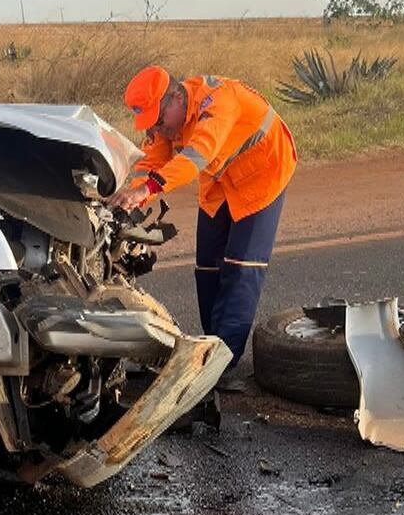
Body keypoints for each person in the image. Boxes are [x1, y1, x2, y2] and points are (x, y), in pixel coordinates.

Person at [111, 66, 297, 390]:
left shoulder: (219, 103)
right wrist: (128, 198)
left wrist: (147, 190)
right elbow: (151, 164)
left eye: (159, 120)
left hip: (262, 175)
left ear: (176, 98)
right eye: (151, 123)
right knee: (207, 267)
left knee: (241, 268)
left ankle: (224, 363)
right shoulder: (168, 122)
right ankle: (213, 347)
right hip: (221, 182)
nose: (157, 128)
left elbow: (196, 158)